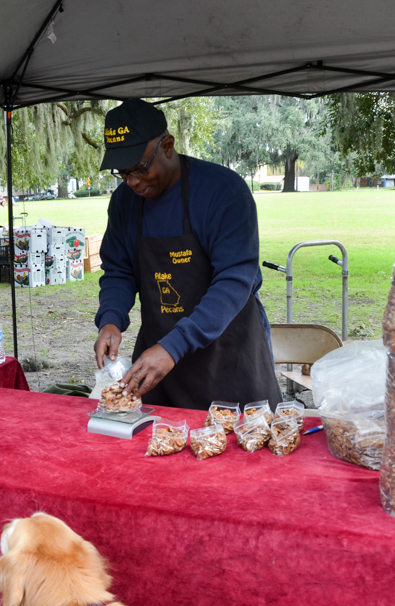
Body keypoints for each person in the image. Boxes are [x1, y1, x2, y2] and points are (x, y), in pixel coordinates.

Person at [93, 98, 281, 411]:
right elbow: (119, 270)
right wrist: (110, 320)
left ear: (167, 146)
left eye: (140, 168)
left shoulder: (223, 192)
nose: (133, 181)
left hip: (229, 356)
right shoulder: (125, 202)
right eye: (122, 172)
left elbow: (235, 281)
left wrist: (174, 346)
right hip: (159, 361)